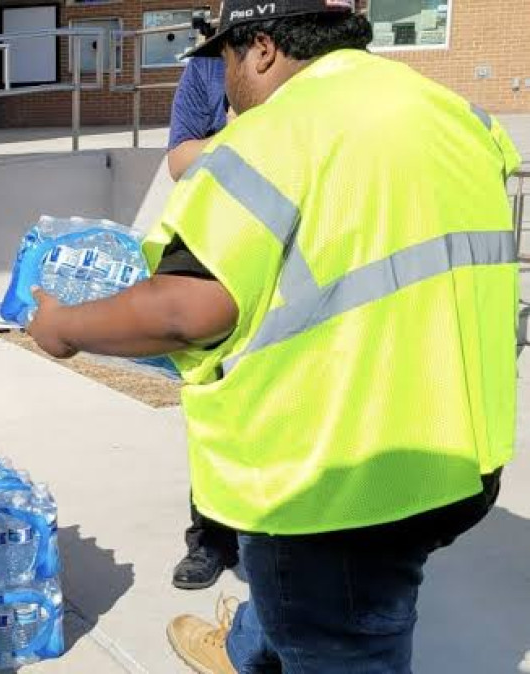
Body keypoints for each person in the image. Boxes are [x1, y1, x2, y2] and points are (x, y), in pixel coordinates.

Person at [27, 0, 522, 672]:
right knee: (326, 594)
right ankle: (247, 647)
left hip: (335, 483)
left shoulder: (272, 136)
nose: (224, 84)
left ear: (261, 48)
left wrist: (62, 328)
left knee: (344, 633)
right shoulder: (450, 112)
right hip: (459, 452)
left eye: (224, 61)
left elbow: (185, 309)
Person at [165, 54, 241, 591]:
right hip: (224, 252)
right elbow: (180, 157)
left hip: (307, 263)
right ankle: (212, 538)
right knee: (216, 406)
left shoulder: (331, 63)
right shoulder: (210, 71)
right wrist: (250, 139)